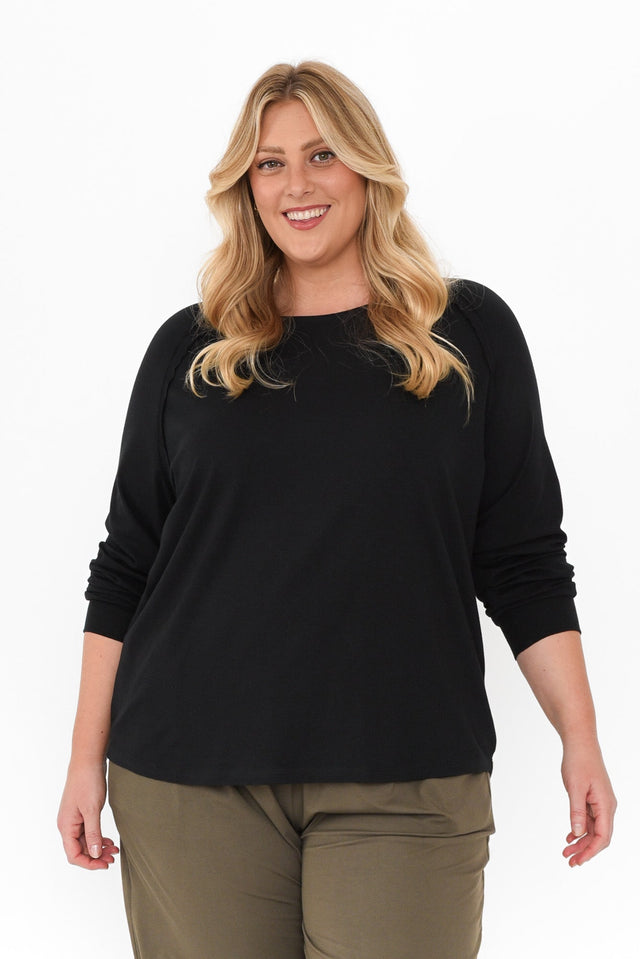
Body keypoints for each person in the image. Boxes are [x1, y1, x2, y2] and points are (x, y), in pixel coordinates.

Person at [57, 61, 616, 959]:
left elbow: (522, 562)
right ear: (246, 186)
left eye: (322, 154)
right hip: (190, 774)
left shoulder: (465, 336)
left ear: (367, 166)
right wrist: (85, 760)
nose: (297, 184)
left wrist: (579, 738)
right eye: (270, 163)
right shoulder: (191, 350)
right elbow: (126, 564)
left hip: (408, 771)